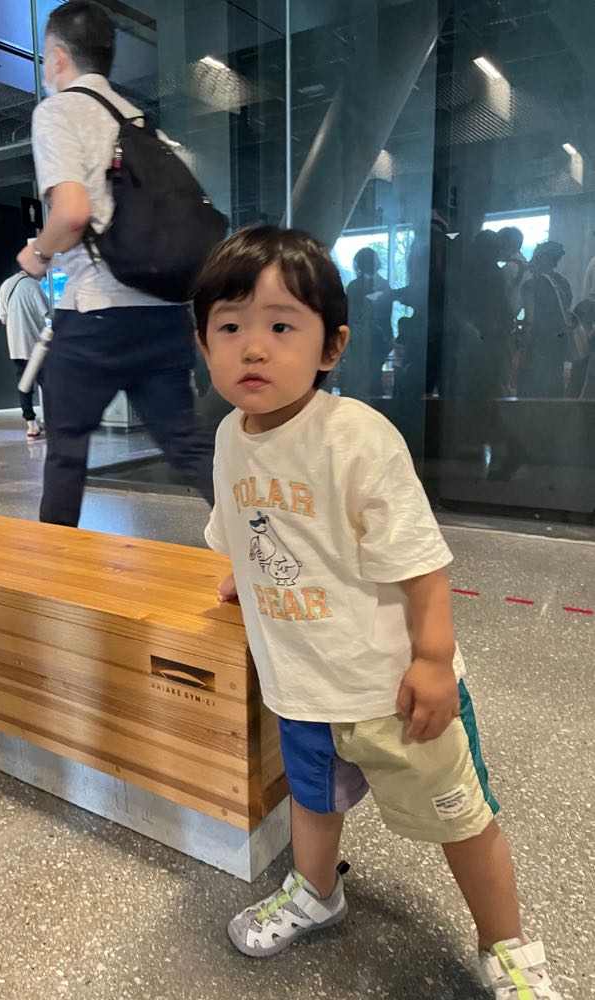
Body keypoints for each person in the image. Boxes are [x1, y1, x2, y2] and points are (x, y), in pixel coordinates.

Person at [196, 225, 563, 1000]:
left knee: (462, 819)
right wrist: (243, 575)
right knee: (312, 803)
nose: (252, 347)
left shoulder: (357, 439)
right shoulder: (231, 437)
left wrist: (431, 660)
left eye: (280, 326)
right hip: (301, 688)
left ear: (331, 346)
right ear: (203, 345)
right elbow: (245, 524)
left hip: (392, 691)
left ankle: (506, 949)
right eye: (229, 327)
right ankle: (316, 893)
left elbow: (422, 563)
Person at [17, 0, 213, 526]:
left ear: (58, 57)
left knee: (66, 454)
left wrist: (37, 253)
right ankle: (266, 548)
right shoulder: (140, 123)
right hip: (164, 315)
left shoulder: (58, 112)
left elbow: (72, 213)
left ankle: (55, 572)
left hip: (96, 315)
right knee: (189, 447)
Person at [0, 269, 49, 438]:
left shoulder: (5, 285)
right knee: (49, 385)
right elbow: (49, 313)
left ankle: (31, 426)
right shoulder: (34, 286)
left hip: (16, 346)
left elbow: (3, 319)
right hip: (37, 345)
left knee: (24, 386)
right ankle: (53, 422)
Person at [336, 247, 392, 399]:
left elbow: (350, 316)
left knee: (358, 383)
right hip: (377, 340)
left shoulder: (355, 286)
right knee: (373, 382)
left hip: (361, 340)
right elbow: (385, 318)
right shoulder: (384, 285)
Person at [519, 242, 572, 398]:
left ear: (541, 259)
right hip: (559, 341)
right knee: (554, 382)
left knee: (533, 387)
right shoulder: (563, 283)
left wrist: (523, 345)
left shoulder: (530, 286)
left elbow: (530, 318)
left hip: (537, 342)